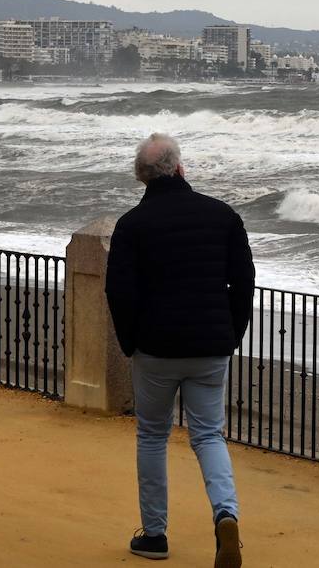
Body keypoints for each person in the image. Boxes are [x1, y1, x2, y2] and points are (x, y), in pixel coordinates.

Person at [106, 133, 255, 567]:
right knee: (209, 434)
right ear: (180, 168)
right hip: (210, 345)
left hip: (155, 346)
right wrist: (231, 334)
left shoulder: (132, 225)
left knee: (152, 436)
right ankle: (226, 514)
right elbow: (243, 282)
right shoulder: (223, 216)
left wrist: (130, 341)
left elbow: (120, 291)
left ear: (143, 177)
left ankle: (155, 535)